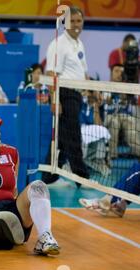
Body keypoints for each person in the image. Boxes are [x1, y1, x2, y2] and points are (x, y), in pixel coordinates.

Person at [0, 108, 60, 255]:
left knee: (39, 187)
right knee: (3, 218)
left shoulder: (11, 153)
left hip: (9, 206)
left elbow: (14, 189)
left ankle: (44, 236)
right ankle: (8, 230)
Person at [41, 6, 90, 186]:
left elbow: (83, 72)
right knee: (73, 135)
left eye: (79, 21)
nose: (76, 25)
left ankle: (49, 176)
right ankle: (82, 177)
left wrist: (92, 91)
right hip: (64, 95)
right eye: (72, 21)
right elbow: (52, 73)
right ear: (65, 23)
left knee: (62, 138)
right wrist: (55, 100)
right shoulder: (58, 44)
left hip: (76, 95)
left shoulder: (79, 44)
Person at [102, 64, 140, 160]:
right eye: (116, 71)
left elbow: (133, 102)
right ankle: (112, 155)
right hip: (110, 116)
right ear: (111, 73)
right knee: (114, 123)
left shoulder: (126, 86)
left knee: (131, 123)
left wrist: (125, 93)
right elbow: (106, 101)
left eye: (121, 72)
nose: (119, 73)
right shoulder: (105, 86)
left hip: (124, 116)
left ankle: (138, 151)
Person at [80, 90, 111, 176]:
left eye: (99, 93)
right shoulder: (81, 100)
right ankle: (80, 160)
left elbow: (98, 124)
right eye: (95, 92)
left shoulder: (99, 106)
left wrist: (96, 106)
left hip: (89, 130)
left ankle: (98, 160)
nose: (98, 95)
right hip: (77, 129)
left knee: (101, 131)